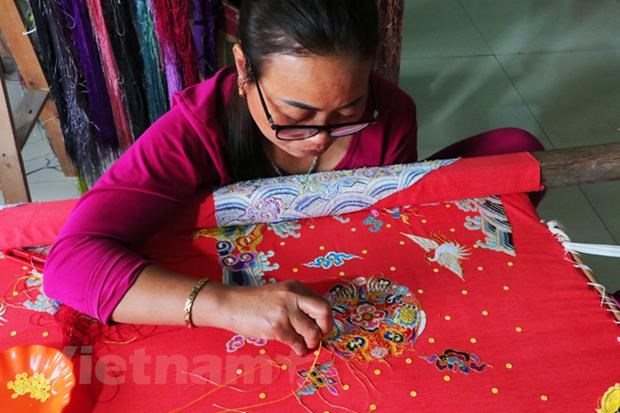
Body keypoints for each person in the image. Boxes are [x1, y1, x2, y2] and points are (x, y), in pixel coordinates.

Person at [43, 0, 543, 357]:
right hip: (233, 294)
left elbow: (384, 226)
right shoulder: (196, 128)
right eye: (294, 114)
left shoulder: (390, 115)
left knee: (512, 153)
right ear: (243, 70)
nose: (320, 140)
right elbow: (69, 265)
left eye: (348, 110)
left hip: (331, 289)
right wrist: (225, 304)